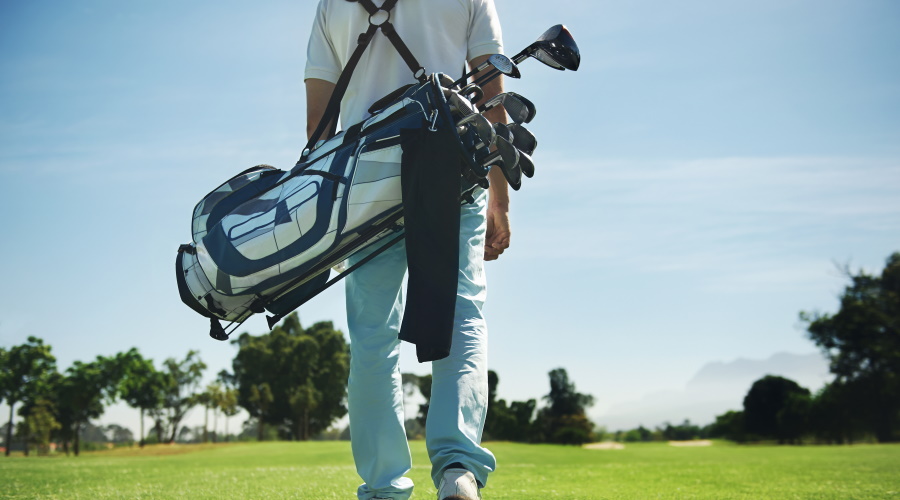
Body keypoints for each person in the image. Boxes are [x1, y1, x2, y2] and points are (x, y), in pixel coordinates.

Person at [304, 1, 509, 499]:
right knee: (462, 312)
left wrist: (319, 217)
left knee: (373, 337)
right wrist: (499, 191)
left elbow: (319, 123)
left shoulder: (333, 2)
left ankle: (383, 487)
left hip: (362, 180)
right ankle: (458, 469)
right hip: (452, 164)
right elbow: (490, 90)